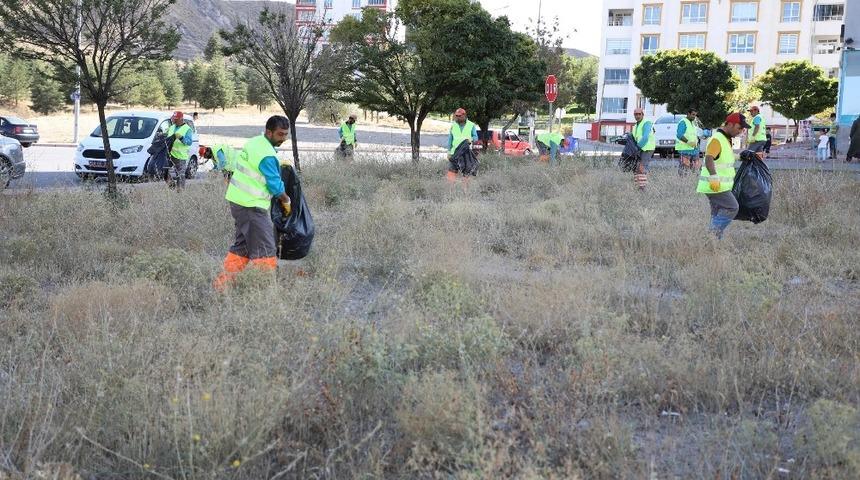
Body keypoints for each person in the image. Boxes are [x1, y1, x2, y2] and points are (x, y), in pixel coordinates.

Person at [214, 116, 292, 290]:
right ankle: (263, 291)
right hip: (252, 206)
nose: (283, 139)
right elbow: (275, 186)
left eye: (286, 134)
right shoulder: (267, 155)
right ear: (269, 131)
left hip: (238, 202)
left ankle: (222, 286)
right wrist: (286, 200)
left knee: (242, 247)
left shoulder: (255, 142)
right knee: (265, 249)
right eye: (280, 134)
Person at [697, 112, 750, 239]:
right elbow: (709, 158)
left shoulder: (725, 139)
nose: (741, 131)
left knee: (717, 213)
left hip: (717, 185)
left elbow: (722, 159)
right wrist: (714, 176)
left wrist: (739, 157)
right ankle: (710, 236)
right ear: (730, 124)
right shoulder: (717, 139)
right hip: (715, 185)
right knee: (732, 207)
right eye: (739, 128)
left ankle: (714, 243)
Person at [446, 108, 478, 180]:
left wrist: (471, 139)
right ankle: (450, 189)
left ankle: (465, 190)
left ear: (464, 116)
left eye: (459, 116)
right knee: (451, 172)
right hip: (454, 153)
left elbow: (476, 137)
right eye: (456, 115)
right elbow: (450, 140)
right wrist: (448, 152)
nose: (457, 117)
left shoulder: (471, 125)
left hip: (466, 153)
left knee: (467, 173)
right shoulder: (453, 126)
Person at [165, 111, 193, 190]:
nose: (174, 121)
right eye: (174, 119)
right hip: (170, 154)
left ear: (181, 119)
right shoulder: (172, 127)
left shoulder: (187, 129)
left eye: (176, 119)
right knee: (164, 171)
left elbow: (189, 142)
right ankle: (172, 186)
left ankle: (180, 192)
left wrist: (181, 138)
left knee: (180, 176)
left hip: (180, 156)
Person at [631, 108, 655, 190]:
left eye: (639, 114)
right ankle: (638, 187)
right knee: (636, 168)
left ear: (642, 114)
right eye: (635, 114)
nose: (637, 116)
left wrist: (637, 147)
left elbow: (645, 138)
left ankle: (642, 189)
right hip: (640, 149)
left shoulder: (647, 123)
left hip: (647, 149)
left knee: (641, 168)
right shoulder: (635, 126)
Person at [675, 108, 701, 175]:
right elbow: (679, 135)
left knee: (695, 168)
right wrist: (688, 142)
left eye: (695, 115)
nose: (694, 116)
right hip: (684, 149)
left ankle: (691, 181)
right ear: (688, 114)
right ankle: (683, 183)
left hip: (694, 149)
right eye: (693, 114)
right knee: (684, 168)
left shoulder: (692, 123)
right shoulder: (683, 122)